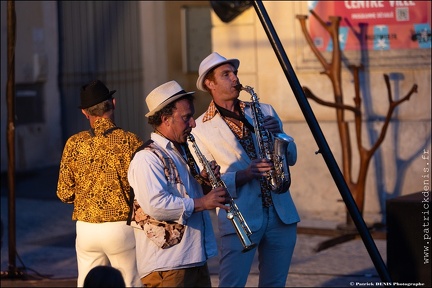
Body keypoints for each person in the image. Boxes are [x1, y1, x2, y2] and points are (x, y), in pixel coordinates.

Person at [191, 52, 300, 287]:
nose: (234, 78)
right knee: (232, 284)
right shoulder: (199, 129)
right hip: (241, 217)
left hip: (280, 213)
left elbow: (290, 158)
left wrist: (279, 134)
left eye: (234, 73)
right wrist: (245, 174)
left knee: (275, 284)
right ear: (210, 83)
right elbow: (209, 181)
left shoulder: (265, 110)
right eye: (226, 74)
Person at [127, 80, 229, 287]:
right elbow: (156, 205)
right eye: (186, 118)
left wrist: (206, 182)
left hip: (193, 257)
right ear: (165, 119)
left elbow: (185, 193)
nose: (193, 123)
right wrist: (202, 202)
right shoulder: (147, 158)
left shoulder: (179, 152)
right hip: (168, 264)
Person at [56, 79, 143, 287]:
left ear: (85, 113)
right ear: (113, 103)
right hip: (121, 228)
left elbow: (64, 193)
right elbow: (142, 187)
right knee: (130, 282)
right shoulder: (130, 141)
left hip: (86, 228)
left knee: (87, 283)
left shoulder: (74, 143)